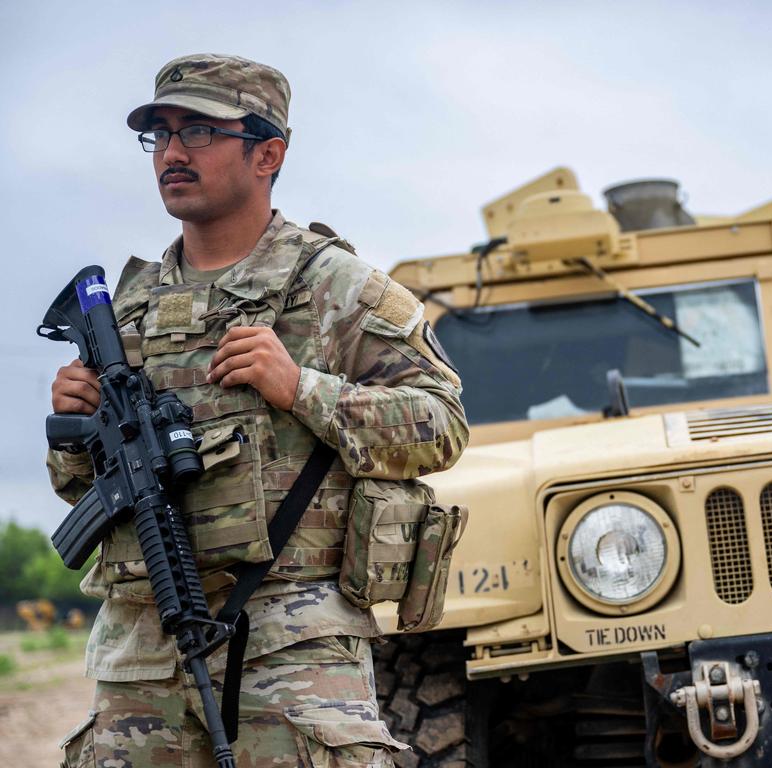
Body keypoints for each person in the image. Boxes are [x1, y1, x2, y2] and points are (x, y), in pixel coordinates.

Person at [47, 53, 468, 768]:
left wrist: (301, 387)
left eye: (200, 132)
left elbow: (442, 425)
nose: (174, 153)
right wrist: (73, 429)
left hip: (291, 646)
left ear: (268, 153)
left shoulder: (336, 288)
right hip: (142, 653)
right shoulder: (123, 313)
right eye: (161, 134)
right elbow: (83, 490)